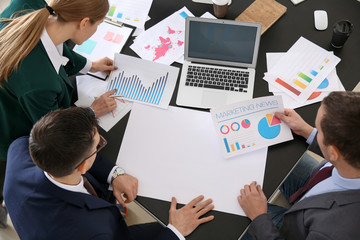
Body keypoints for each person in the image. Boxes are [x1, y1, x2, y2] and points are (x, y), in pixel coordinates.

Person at [4, 107, 215, 239]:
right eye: (98, 145)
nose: (100, 144)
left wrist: (115, 173)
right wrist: (175, 231)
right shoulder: (94, 229)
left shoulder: (19, 150)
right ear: (81, 166)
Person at [0, 0, 118, 163]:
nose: (96, 29)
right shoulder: (40, 84)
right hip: (15, 128)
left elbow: (54, 45)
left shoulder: (31, 5)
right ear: (84, 23)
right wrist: (91, 111)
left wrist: (91, 65)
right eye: (98, 24)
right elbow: (55, 129)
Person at [238, 91, 360, 239]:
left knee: (239, 205)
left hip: (296, 230)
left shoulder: (332, 231)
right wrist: (307, 131)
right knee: (278, 160)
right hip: (317, 183)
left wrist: (259, 217)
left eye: (319, 131)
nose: (315, 130)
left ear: (333, 152)